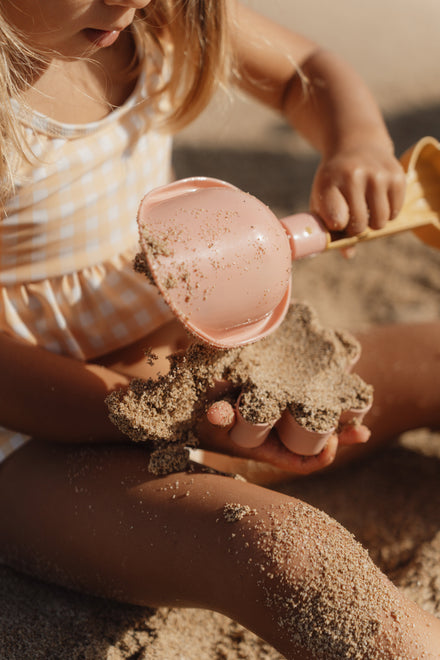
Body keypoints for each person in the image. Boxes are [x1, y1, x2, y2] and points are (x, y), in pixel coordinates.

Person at [0, 0, 439, 657]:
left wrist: (358, 144)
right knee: (290, 555)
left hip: (194, 375)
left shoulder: (162, 16)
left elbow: (304, 74)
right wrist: (181, 415)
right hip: (33, 439)